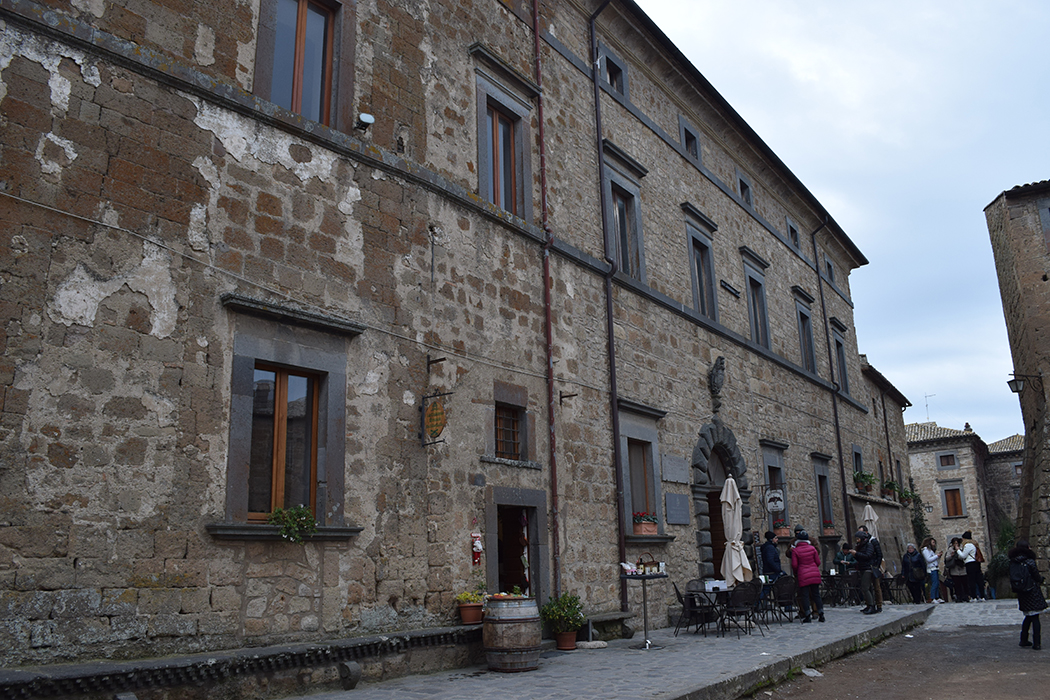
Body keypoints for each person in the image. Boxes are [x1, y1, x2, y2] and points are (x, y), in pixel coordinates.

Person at [1008, 539, 1046, 650]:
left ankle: (1023, 639)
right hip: (1032, 590)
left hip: (1021, 591)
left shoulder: (1013, 561)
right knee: (1035, 617)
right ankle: (1037, 642)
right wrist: (1040, 580)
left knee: (1028, 616)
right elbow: (1036, 576)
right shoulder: (1030, 561)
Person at [790, 531, 825, 623]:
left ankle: (807, 615)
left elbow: (794, 565)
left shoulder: (795, 550)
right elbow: (818, 562)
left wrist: (798, 572)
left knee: (804, 595)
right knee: (816, 594)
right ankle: (821, 614)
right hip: (814, 573)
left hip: (803, 574)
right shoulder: (813, 549)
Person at [850, 529, 878, 614]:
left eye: (858, 538)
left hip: (867, 568)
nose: (857, 540)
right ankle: (869, 605)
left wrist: (856, 554)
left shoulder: (869, 545)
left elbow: (868, 556)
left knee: (865, 587)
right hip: (862, 567)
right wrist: (855, 555)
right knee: (867, 588)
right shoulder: (861, 546)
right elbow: (860, 558)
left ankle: (872, 605)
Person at [960, 531, 986, 600]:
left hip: (970, 564)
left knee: (972, 581)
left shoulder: (968, 545)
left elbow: (963, 555)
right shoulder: (974, 544)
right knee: (979, 580)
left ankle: (974, 596)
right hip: (976, 563)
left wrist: (958, 550)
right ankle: (982, 596)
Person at [944, 536, 969, 602]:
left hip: (962, 569)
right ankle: (958, 597)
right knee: (957, 585)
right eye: (954, 543)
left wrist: (958, 552)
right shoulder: (950, 549)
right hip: (954, 570)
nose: (956, 545)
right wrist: (951, 555)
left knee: (964, 583)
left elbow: (963, 557)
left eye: (957, 543)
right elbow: (947, 558)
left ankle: (966, 596)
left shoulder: (962, 548)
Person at [922, 537, 942, 603]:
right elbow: (928, 559)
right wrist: (936, 556)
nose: (934, 544)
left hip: (935, 568)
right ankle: (933, 597)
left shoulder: (931, 550)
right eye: (933, 542)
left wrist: (938, 557)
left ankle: (937, 597)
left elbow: (934, 560)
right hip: (931, 569)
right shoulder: (925, 550)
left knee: (937, 583)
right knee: (934, 583)